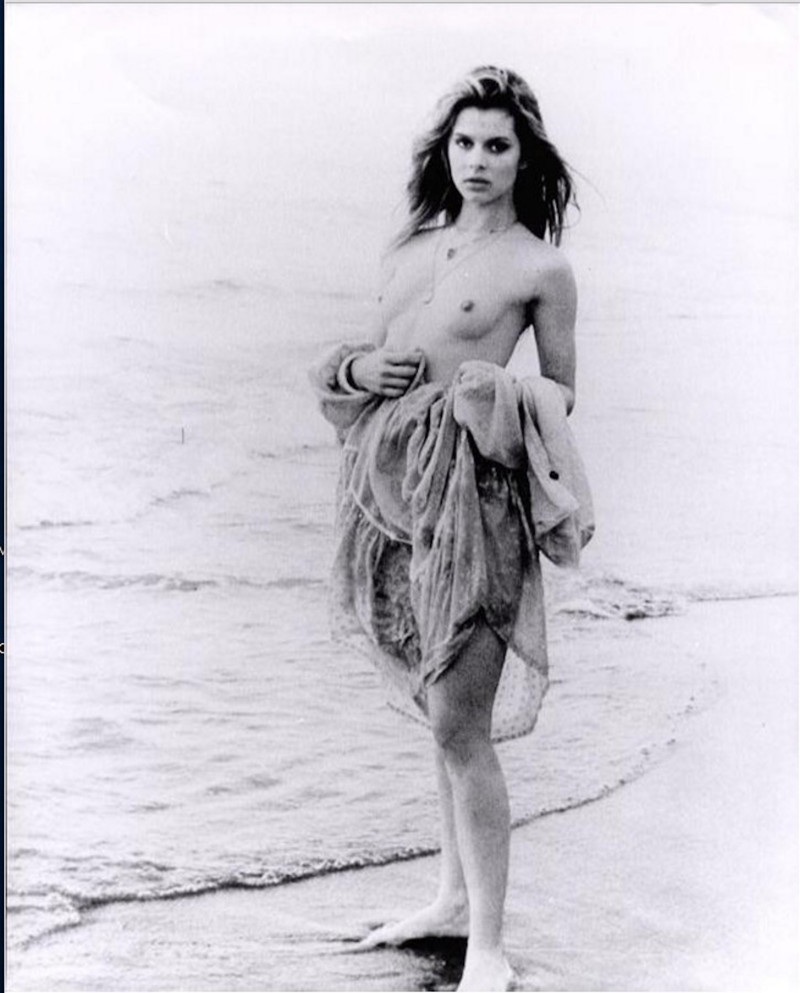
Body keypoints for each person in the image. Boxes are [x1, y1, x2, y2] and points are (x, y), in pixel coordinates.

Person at [311, 65, 592, 992]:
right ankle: (449, 899)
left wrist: (496, 389)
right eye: (465, 143)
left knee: (461, 723)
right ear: (446, 152)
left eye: (497, 146)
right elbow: (369, 359)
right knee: (438, 713)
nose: (478, 160)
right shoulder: (410, 248)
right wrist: (360, 371)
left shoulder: (540, 267)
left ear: (524, 159)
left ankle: (490, 948)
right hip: (391, 496)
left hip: (476, 497)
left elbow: (562, 393)